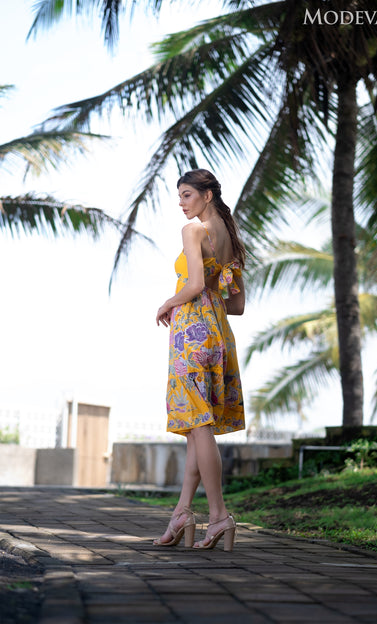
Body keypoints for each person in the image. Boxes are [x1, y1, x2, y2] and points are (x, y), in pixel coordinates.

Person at [154, 169, 246, 552]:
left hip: (193, 333)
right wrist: (207, 300)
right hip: (218, 333)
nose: (181, 202)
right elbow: (237, 305)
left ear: (207, 195)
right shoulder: (230, 235)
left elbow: (192, 285)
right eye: (179, 196)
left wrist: (168, 303)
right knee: (197, 427)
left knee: (198, 424)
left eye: (187, 194)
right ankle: (182, 512)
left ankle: (220, 515)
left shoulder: (194, 231)